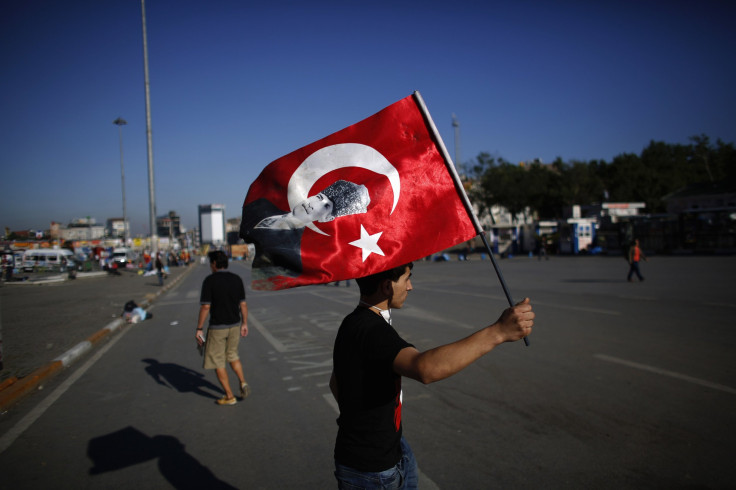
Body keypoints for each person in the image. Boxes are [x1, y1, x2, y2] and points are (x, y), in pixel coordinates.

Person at [329, 263, 534, 489]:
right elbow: (424, 368)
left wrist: (362, 423)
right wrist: (498, 332)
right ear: (387, 286)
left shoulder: (354, 321)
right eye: (406, 279)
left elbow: (336, 383)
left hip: (388, 448)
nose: (410, 286)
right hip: (373, 470)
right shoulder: (373, 330)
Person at [240, 179, 370, 286]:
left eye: (326, 206)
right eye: (319, 197)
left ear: (328, 218)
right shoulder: (262, 205)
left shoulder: (291, 252)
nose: (313, 204)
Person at [195, 250, 250, 406]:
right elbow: (243, 304)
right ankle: (243, 381)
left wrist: (199, 328)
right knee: (233, 355)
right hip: (234, 325)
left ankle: (229, 395)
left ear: (213, 263)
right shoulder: (236, 279)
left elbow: (206, 306)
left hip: (217, 327)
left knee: (218, 361)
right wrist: (244, 323)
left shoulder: (210, 281)